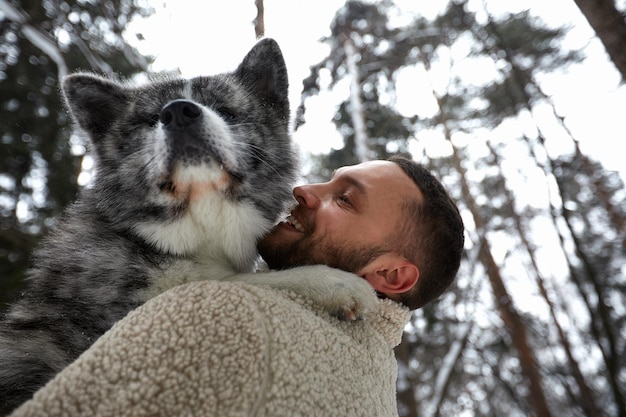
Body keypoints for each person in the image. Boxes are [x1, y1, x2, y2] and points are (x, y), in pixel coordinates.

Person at [9, 156, 464, 417]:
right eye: (326, 180)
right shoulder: (376, 393)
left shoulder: (228, 313)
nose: (304, 189)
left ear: (390, 276)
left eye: (344, 199)